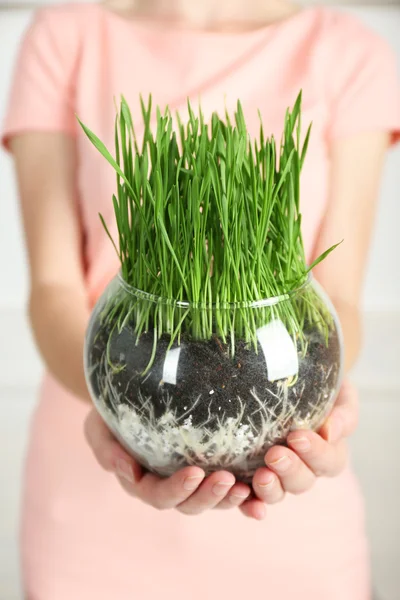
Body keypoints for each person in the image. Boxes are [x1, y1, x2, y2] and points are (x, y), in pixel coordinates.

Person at [2, 0, 400, 598]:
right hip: (92, 502)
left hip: (294, 525)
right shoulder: (65, 33)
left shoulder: (353, 52)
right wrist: (123, 416)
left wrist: (323, 410)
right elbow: (53, 287)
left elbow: (336, 296)